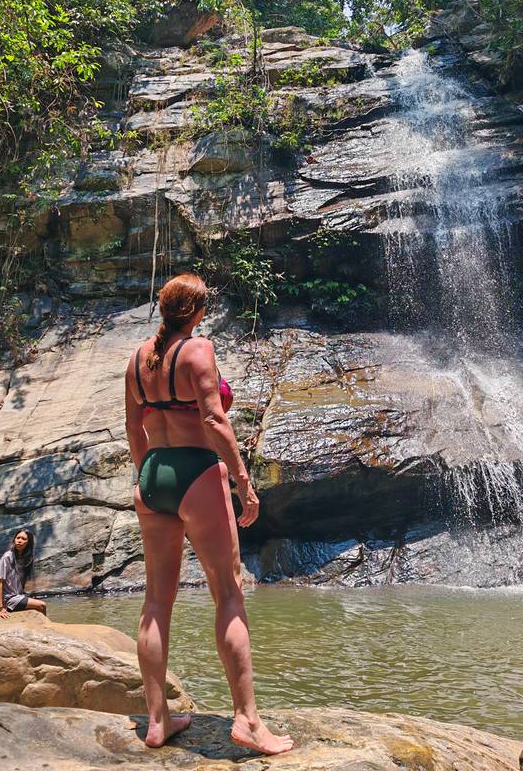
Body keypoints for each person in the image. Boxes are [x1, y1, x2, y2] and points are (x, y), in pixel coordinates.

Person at [125, 273, 293, 755]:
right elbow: (214, 420)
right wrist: (242, 480)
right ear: (198, 311)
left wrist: (147, 477)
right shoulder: (197, 350)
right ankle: (248, 721)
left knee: (156, 600)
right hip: (197, 471)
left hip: (154, 474)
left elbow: (134, 429)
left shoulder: (139, 358)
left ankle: (156, 722)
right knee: (228, 593)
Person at [0, 529, 47, 618]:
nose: (19, 541)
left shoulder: (25, 558)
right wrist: (0, 607)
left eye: (23, 539)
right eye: (18, 538)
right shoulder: (7, 557)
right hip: (9, 599)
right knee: (42, 605)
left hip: (19, 596)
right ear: (14, 539)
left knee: (36, 605)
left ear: (28, 543)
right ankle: (45, 628)